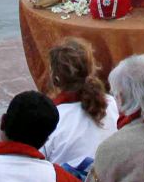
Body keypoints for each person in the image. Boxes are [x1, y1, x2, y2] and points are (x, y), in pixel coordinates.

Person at [41, 39, 118, 167]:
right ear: (91, 69)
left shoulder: (50, 118)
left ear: (55, 77)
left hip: (68, 179)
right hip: (107, 176)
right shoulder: (111, 103)